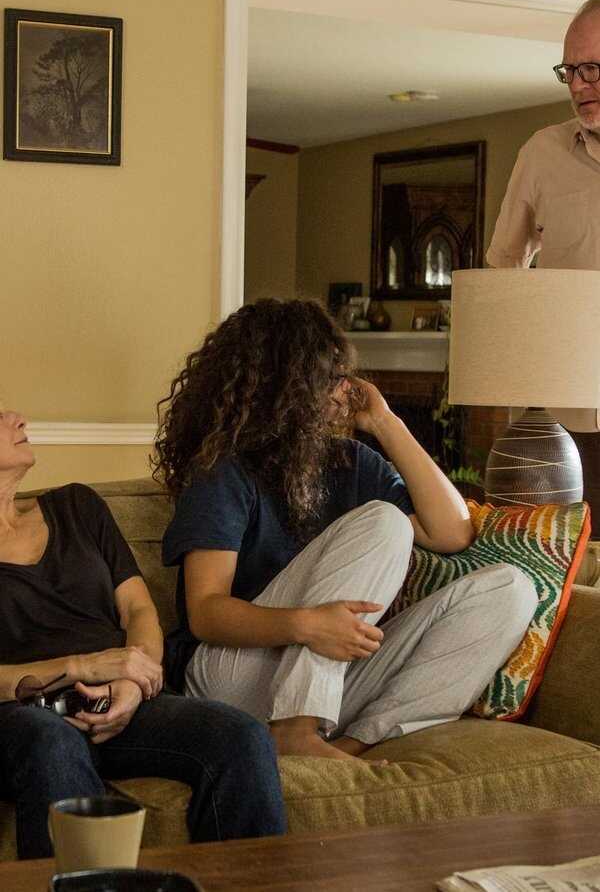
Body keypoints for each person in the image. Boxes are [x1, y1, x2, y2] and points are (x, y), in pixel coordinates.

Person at [155, 298, 537, 762]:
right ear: (286, 387)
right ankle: (295, 729)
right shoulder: (224, 471)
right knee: (386, 521)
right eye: (330, 377)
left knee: (511, 590)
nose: (344, 390)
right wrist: (307, 625)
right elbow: (205, 613)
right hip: (227, 678)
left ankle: (353, 744)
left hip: (325, 678)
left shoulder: (352, 463)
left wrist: (385, 422)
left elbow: (452, 533)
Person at [0, 408, 286, 860]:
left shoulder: (77, 506)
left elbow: (138, 610)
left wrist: (134, 682)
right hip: (22, 714)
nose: (16, 417)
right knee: (50, 740)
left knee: (242, 738)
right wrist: (83, 666)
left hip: (118, 695)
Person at [487, 0, 600, 273]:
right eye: (569, 70)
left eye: (590, 69)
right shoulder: (542, 152)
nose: (576, 85)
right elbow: (504, 270)